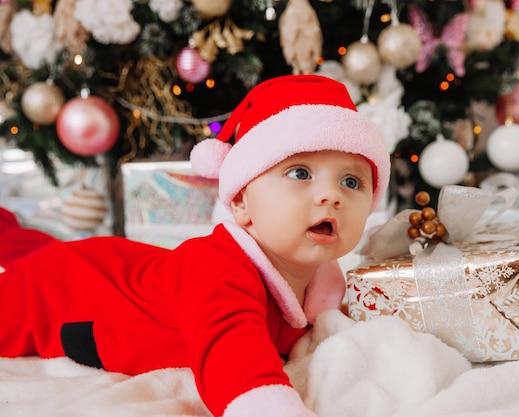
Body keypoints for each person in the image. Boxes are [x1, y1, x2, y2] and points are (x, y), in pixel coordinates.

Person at [0, 74, 390, 417]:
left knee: (24, 245)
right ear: (241, 202)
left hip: (119, 264)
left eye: (352, 182)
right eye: (300, 172)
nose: (331, 195)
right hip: (65, 290)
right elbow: (232, 354)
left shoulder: (321, 282)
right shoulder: (220, 270)